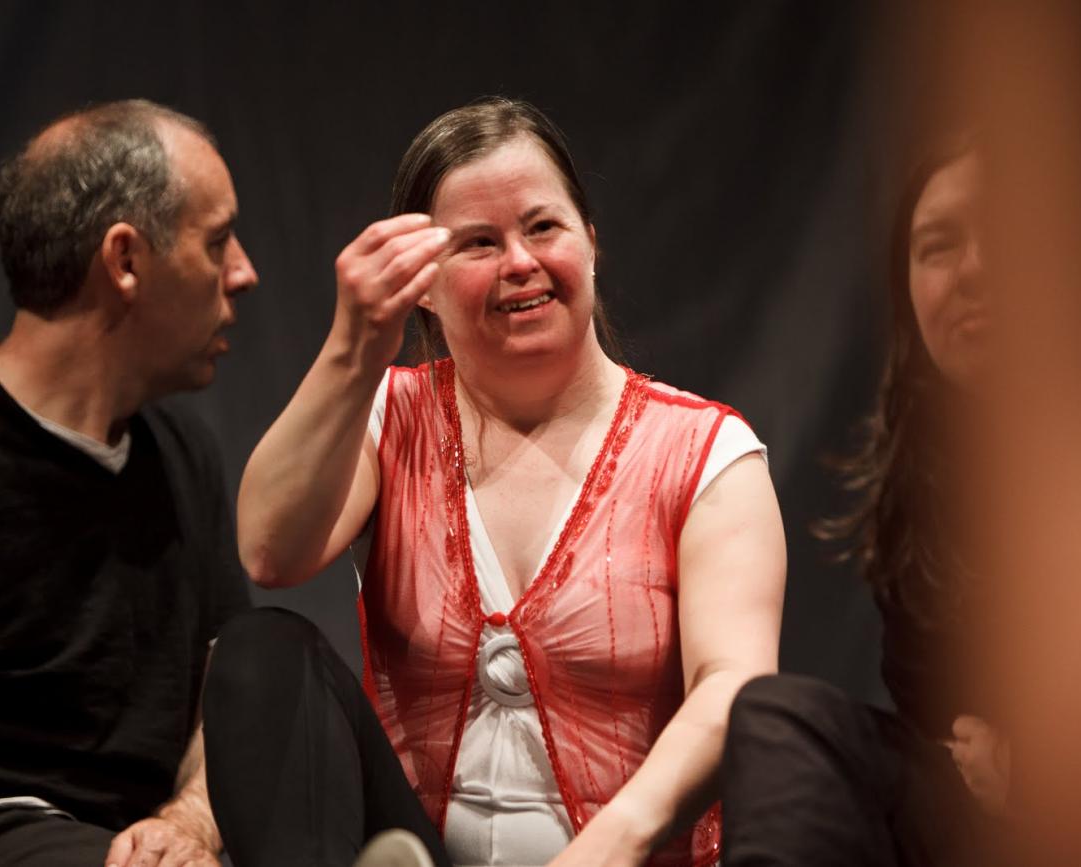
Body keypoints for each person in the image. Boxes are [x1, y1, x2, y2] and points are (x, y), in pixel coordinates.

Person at [209, 96, 786, 867]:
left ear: (590, 243)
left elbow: (733, 683)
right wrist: (354, 347)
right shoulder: (388, 416)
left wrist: (611, 845)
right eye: (478, 242)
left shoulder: (706, 453)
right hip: (428, 850)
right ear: (423, 283)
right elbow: (270, 551)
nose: (519, 261)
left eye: (542, 227)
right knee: (260, 651)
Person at [0, 99, 258, 866]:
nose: (243, 273)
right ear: (125, 260)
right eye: (218, 241)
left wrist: (191, 819)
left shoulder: (182, 455)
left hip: (129, 844)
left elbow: (222, 695)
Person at [719, 137, 1007, 866]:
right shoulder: (926, 479)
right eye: (938, 246)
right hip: (986, 821)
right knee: (781, 719)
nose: (975, 269)